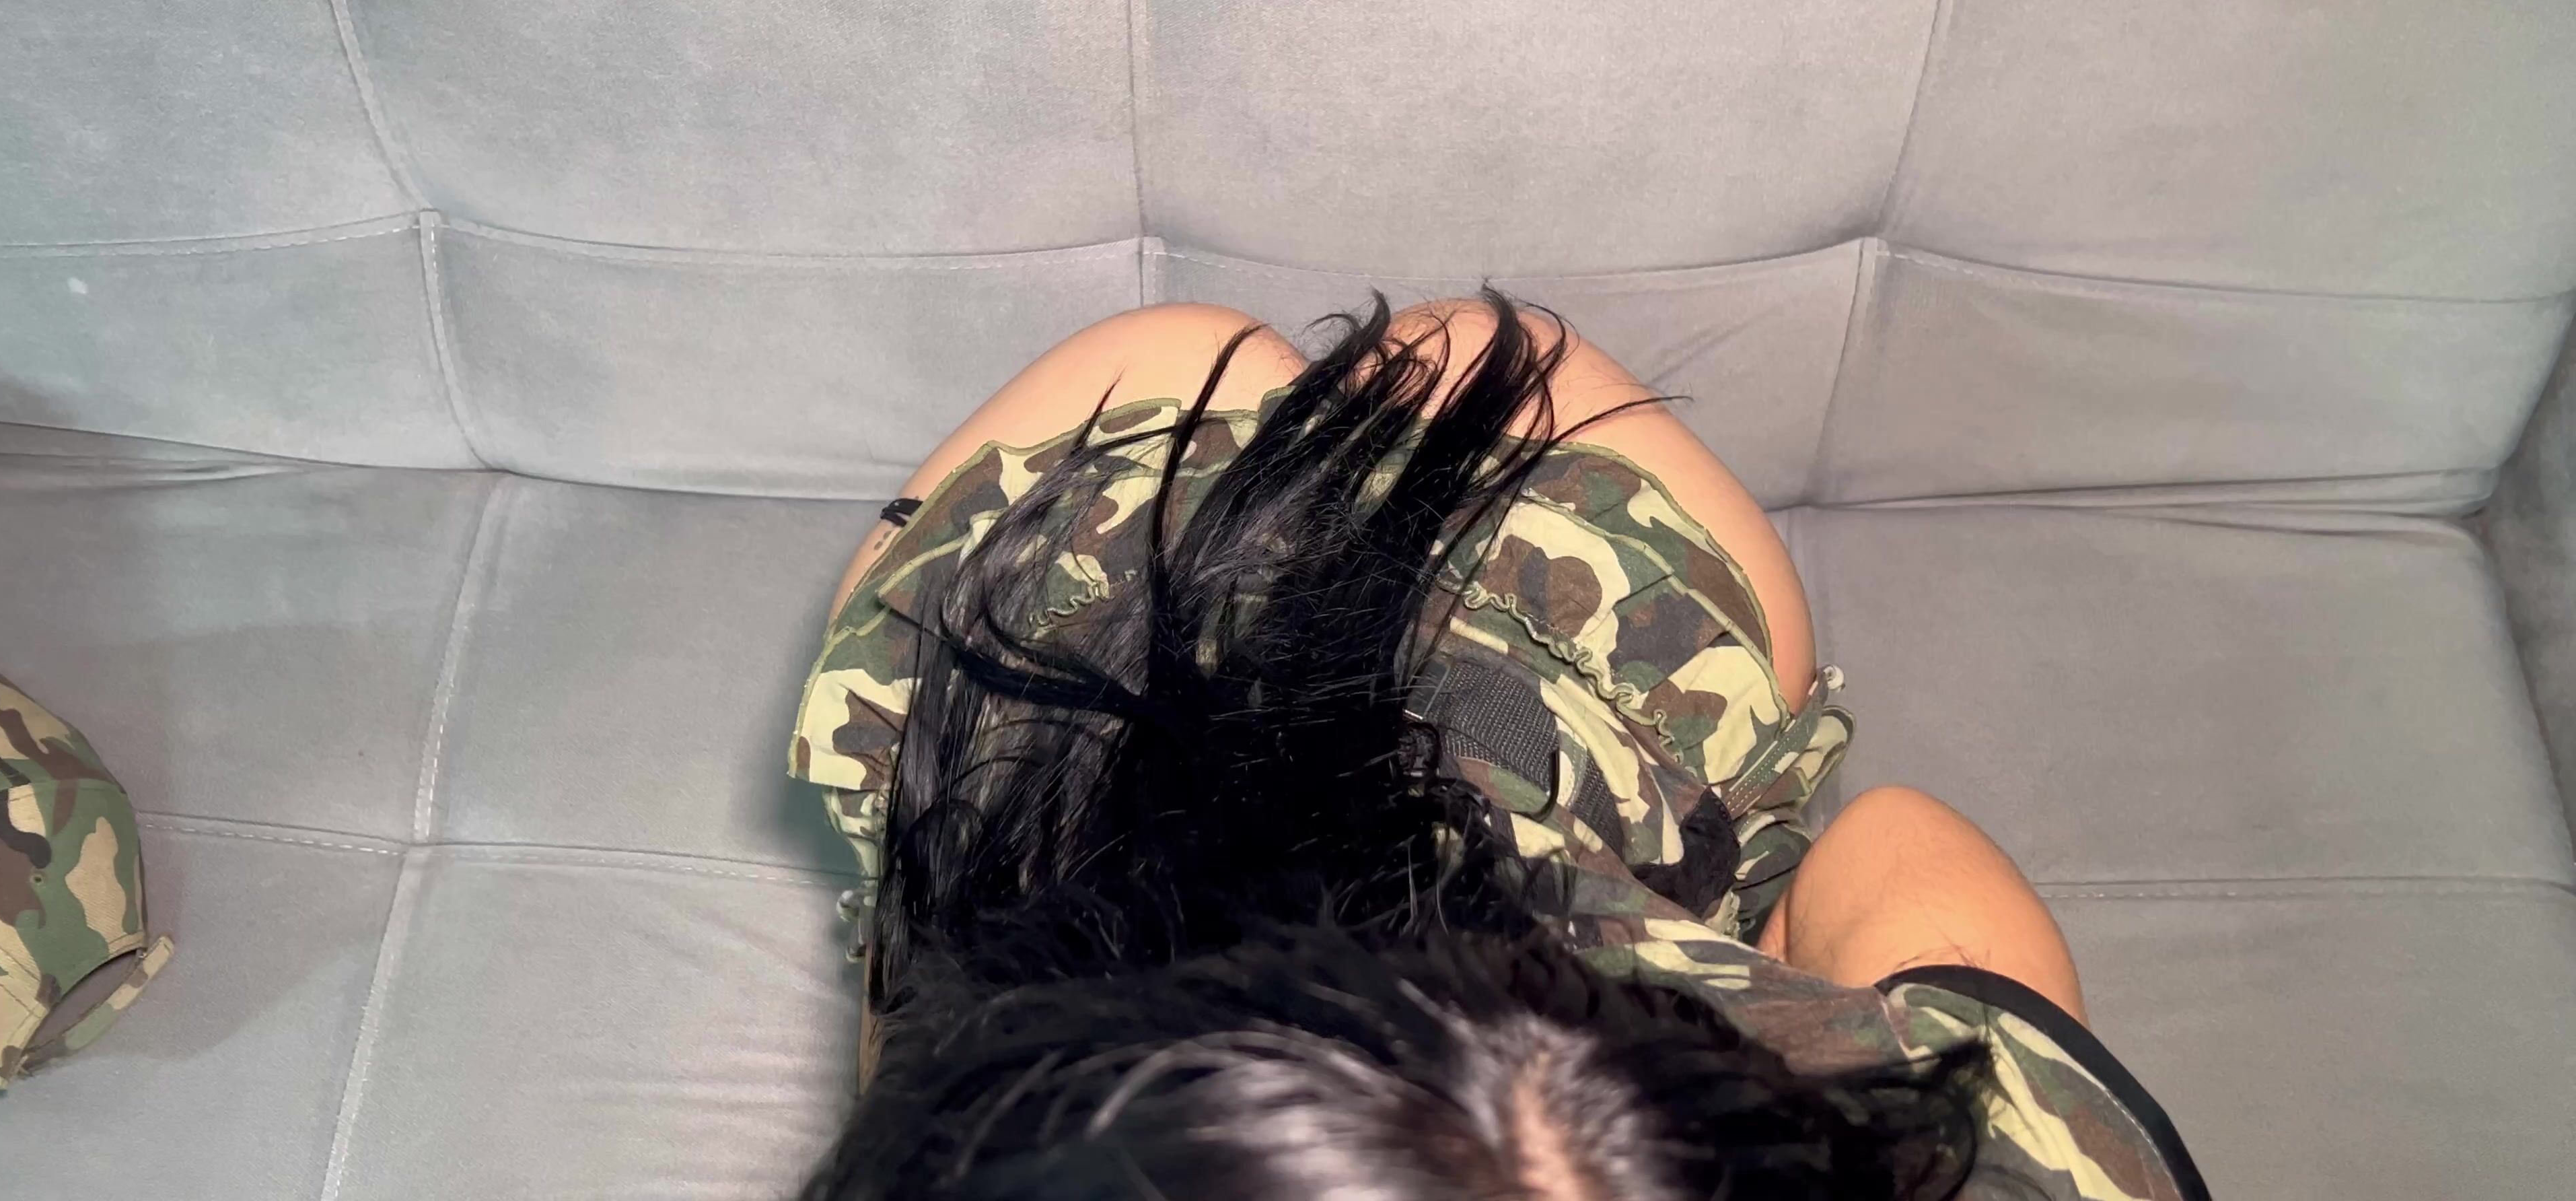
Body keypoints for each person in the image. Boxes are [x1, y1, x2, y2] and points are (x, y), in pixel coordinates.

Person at [786, 293, 2208, 1200]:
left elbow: (1898, 860)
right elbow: (1895, 846)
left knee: (1249, 350)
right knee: (1462, 353)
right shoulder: (2015, 1171)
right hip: (1573, 666)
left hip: (1068, 676)